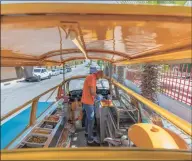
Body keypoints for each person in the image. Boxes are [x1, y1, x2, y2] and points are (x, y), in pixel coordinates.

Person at [81, 70, 103, 146]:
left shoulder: (92, 78)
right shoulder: (91, 78)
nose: (100, 78)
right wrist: (99, 97)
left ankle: (87, 132)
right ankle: (90, 139)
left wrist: (96, 97)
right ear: (98, 74)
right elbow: (92, 92)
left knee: (88, 118)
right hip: (88, 102)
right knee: (91, 120)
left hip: (88, 101)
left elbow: (92, 91)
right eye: (100, 77)